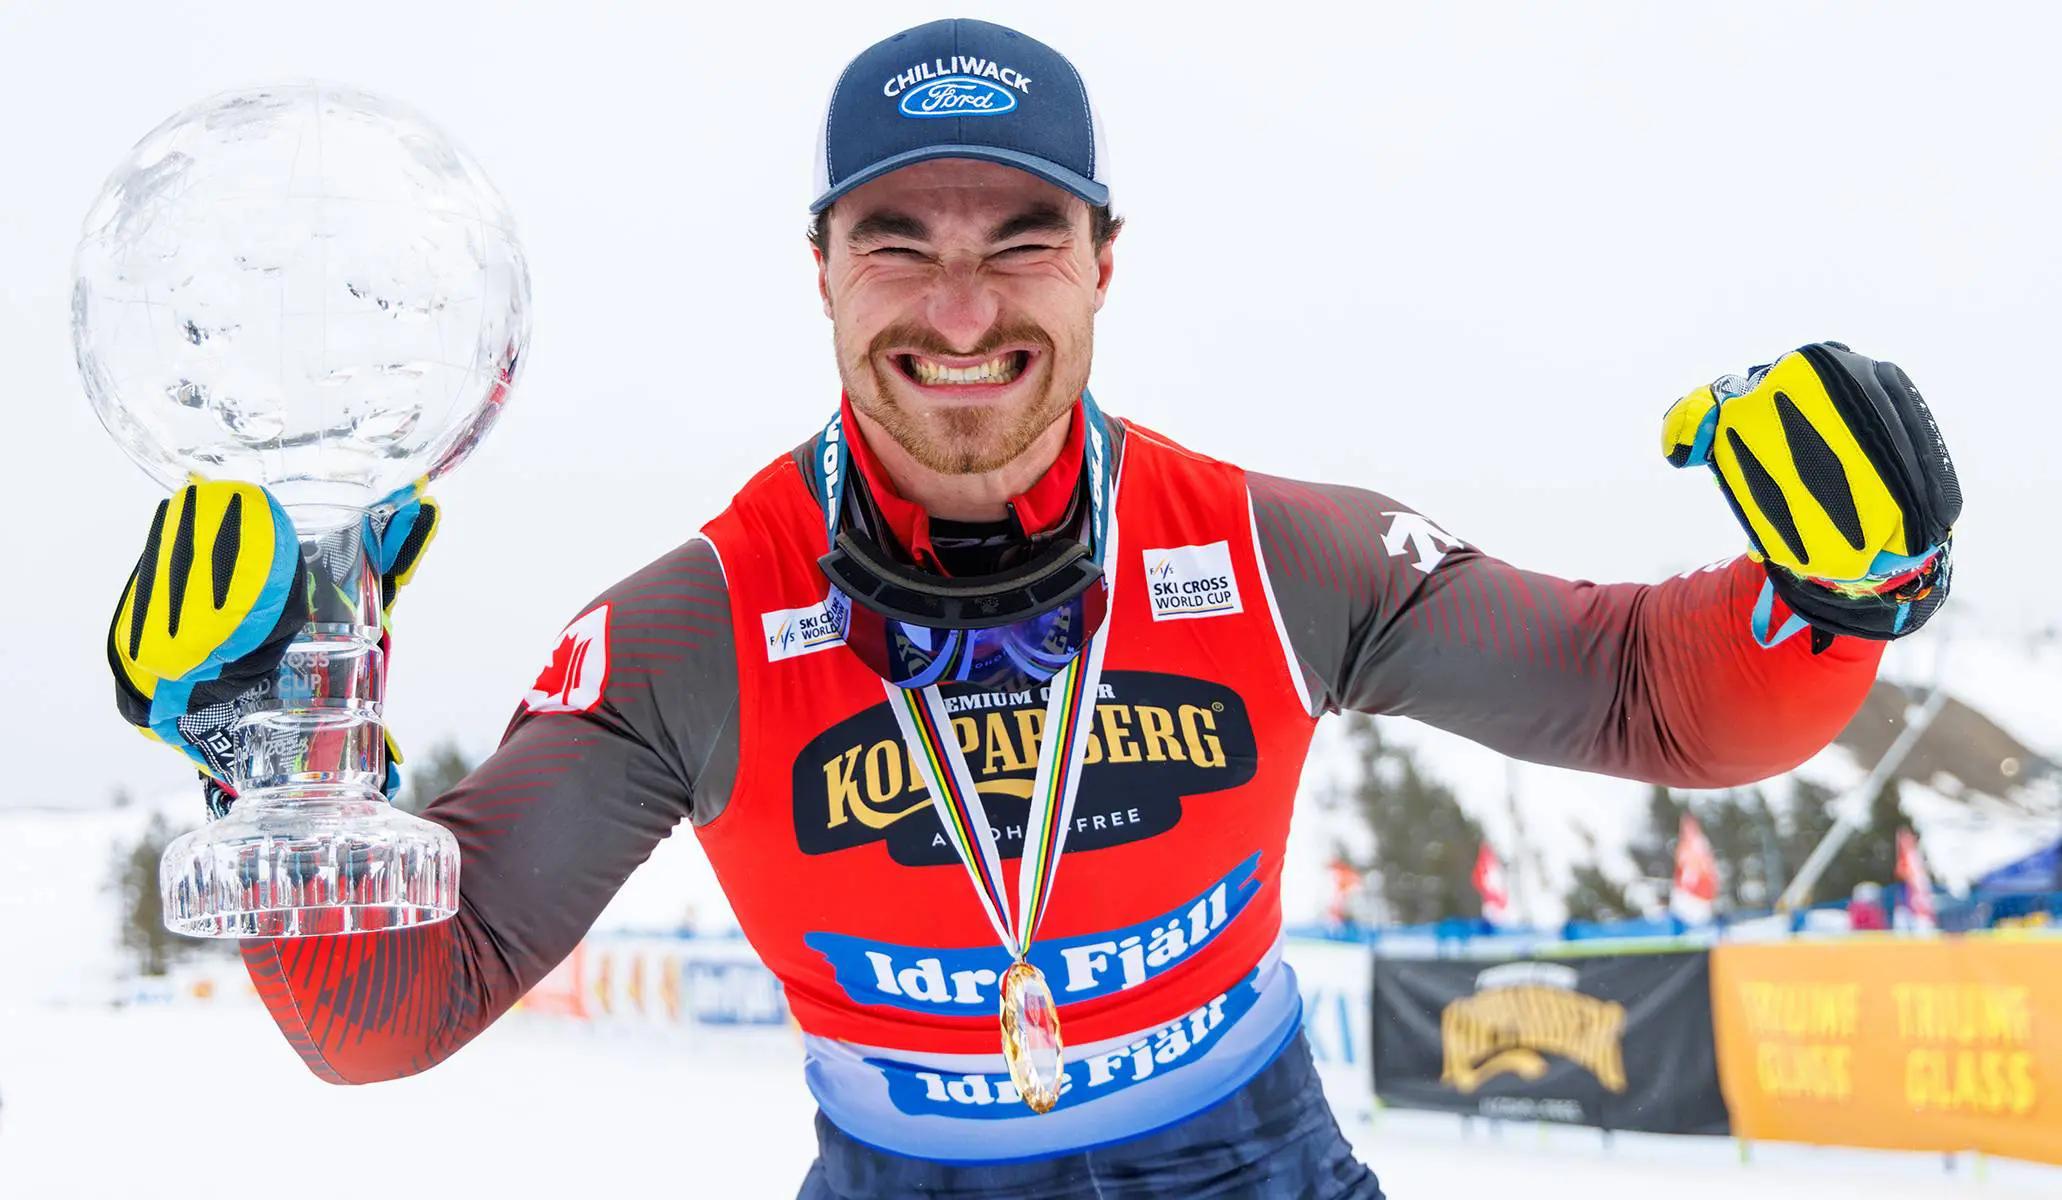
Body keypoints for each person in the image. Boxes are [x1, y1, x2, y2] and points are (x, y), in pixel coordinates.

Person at [107, 18, 1961, 1199]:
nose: (964, 309)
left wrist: (1840, 586)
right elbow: (390, 1012)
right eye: (900, 240)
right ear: (821, 270)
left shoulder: (1270, 553)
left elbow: (1652, 698)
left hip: (1245, 1160)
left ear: (1102, 262)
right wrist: (268, 771)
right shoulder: (690, 629)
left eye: (1021, 240)